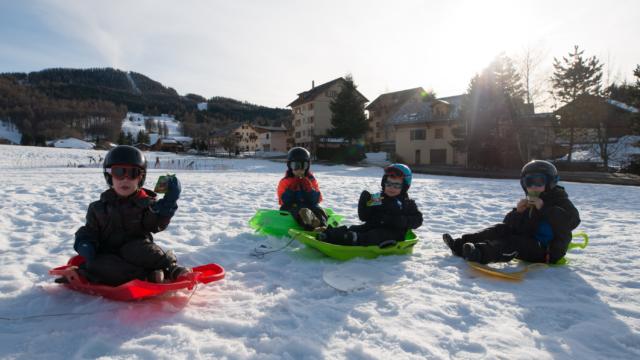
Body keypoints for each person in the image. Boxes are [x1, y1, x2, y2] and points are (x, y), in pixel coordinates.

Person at [72, 145, 189, 286]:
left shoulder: (147, 204)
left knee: (137, 249)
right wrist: (84, 241)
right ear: (109, 176)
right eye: (119, 172)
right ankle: (148, 276)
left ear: (140, 177)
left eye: (133, 173)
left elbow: (155, 224)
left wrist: (166, 206)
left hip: (138, 251)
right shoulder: (97, 208)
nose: (125, 179)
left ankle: (170, 269)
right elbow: (90, 230)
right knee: (95, 264)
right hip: (109, 254)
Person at [443, 160, 580, 264]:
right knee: (500, 229)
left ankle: (480, 253)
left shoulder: (559, 200)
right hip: (528, 240)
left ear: (550, 183)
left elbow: (572, 221)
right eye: (529, 182)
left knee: (514, 242)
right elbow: (509, 224)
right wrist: (518, 213)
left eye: (539, 182)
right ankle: (460, 244)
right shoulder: (530, 201)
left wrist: (545, 209)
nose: (533, 186)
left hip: (547, 251)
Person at [317, 164, 423, 247]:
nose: (391, 188)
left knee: (375, 235)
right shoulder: (378, 197)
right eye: (389, 184)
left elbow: (418, 219)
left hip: (393, 233)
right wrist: (363, 202)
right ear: (384, 183)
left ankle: (352, 238)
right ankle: (330, 234)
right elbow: (365, 216)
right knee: (355, 228)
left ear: (404, 187)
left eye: (396, 185)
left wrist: (399, 220)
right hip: (372, 226)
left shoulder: (407, 203)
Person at [277, 147, 327, 230]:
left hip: (309, 205)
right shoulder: (285, 181)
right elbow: (283, 201)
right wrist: (291, 189)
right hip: (292, 206)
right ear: (290, 166)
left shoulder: (311, 180)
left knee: (318, 209)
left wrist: (310, 189)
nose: (300, 169)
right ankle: (309, 225)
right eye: (296, 166)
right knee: (298, 210)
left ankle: (322, 225)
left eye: (304, 166)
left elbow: (317, 200)